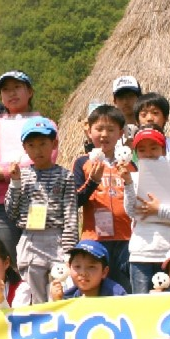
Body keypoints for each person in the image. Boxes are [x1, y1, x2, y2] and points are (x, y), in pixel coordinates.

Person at [0, 70, 54, 258]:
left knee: (38, 261)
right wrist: (15, 170)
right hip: (1, 206)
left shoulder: (46, 125)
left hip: (37, 202)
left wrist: (1, 170)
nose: (12, 93)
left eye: (17, 87)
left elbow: (46, 161)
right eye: (6, 89)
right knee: (8, 263)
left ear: (30, 91)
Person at [5, 117, 78, 303]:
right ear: (25, 148)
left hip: (56, 239)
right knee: (33, 294)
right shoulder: (22, 176)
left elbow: (70, 215)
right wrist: (15, 182)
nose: (38, 150)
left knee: (60, 290)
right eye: (32, 145)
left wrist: (70, 251)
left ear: (53, 144)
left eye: (43, 144)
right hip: (30, 238)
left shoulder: (65, 176)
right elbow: (11, 212)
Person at [125, 127, 170, 293]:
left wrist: (159, 210)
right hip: (141, 254)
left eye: (154, 148)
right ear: (136, 153)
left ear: (163, 150)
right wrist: (128, 184)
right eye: (142, 150)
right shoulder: (132, 178)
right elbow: (131, 212)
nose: (148, 153)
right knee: (143, 309)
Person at [72, 104, 134, 292]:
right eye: (99, 129)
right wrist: (92, 181)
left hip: (126, 238)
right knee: (95, 292)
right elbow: (73, 202)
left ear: (121, 132)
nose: (104, 134)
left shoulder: (130, 164)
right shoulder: (83, 162)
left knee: (124, 290)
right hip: (94, 239)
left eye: (111, 129)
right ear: (89, 131)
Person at [49, 239, 129, 300]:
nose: (83, 273)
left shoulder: (117, 295)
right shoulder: (68, 297)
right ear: (69, 268)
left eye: (91, 267)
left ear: (104, 272)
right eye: (77, 266)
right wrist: (58, 301)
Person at [133, 92, 170, 171]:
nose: (149, 118)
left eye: (155, 113)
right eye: (144, 115)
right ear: (137, 121)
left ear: (166, 117)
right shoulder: (133, 152)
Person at [111, 75, 142, 142]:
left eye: (130, 96)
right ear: (114, 101)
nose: (125, 102)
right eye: (121, 97)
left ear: (139, 97)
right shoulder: (111, 135)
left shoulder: (149, 130)